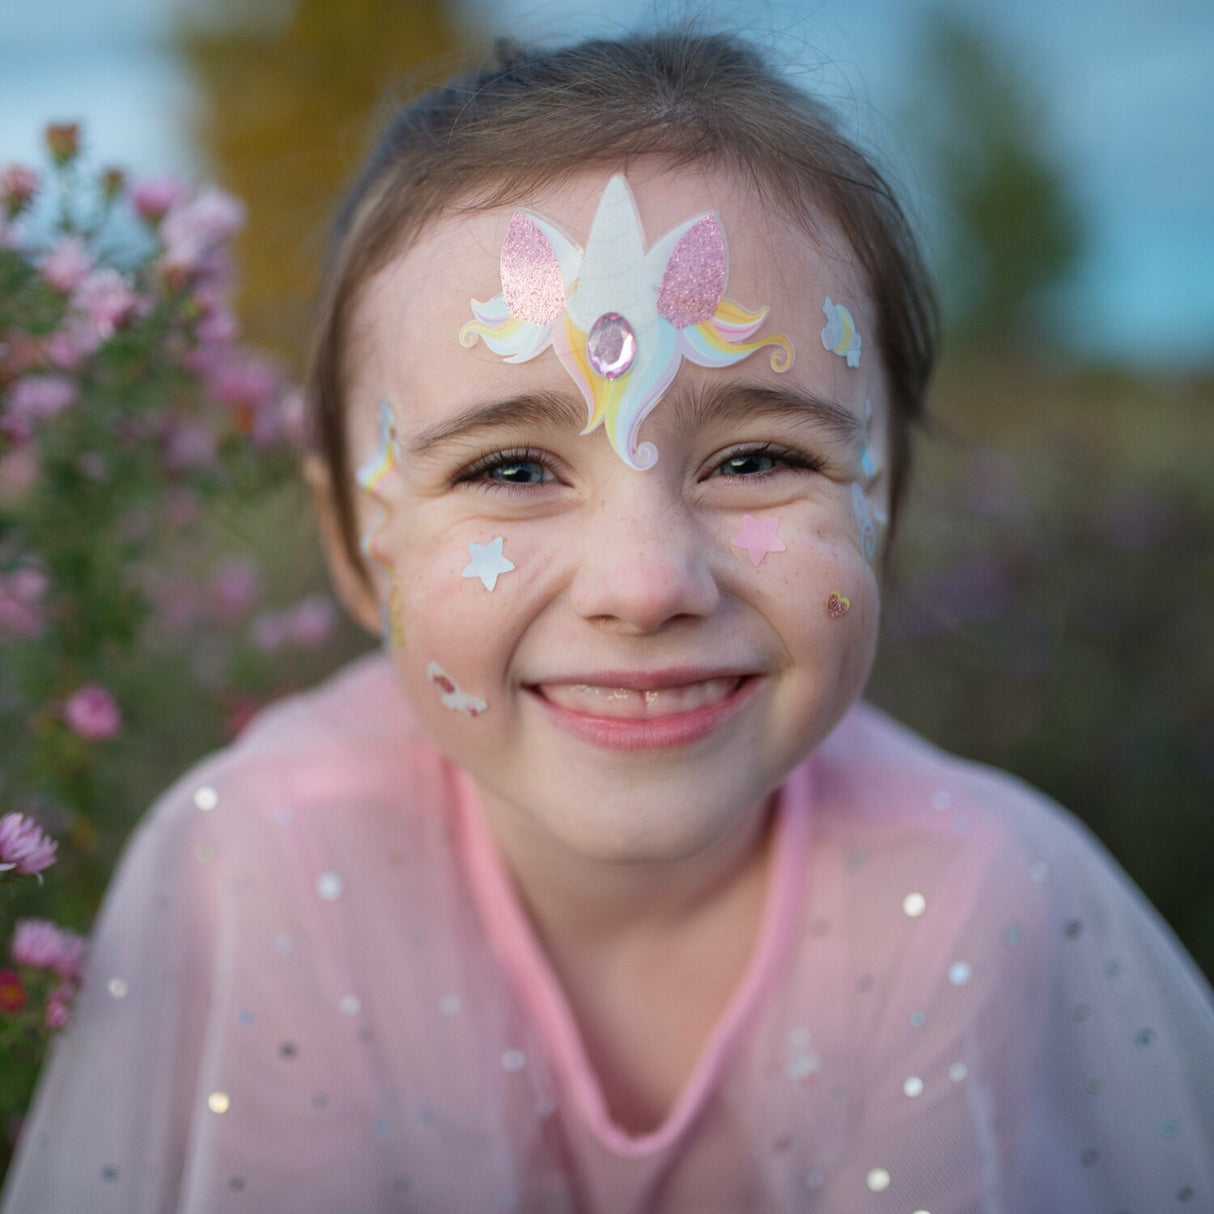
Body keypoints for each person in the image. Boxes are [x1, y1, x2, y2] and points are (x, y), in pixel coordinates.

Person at [3, 31, 1211, 1214]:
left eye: (755, 456)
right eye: (512, 470)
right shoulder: (257, 868)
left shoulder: (982, 907)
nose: (644, 582)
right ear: (354, 546)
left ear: (881, 509)